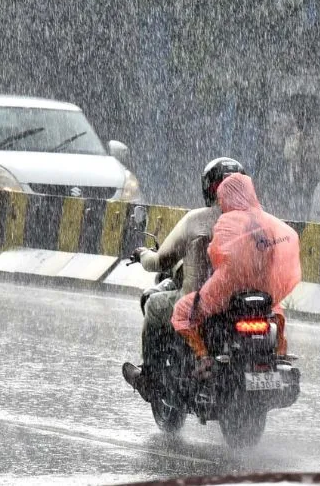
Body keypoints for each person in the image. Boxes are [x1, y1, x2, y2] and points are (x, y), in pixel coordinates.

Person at [121, 157, 246, 400]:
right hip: (241, 303)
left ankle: (149, 378)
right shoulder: (258, 221)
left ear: (209, 188)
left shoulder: (197, 219)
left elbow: (161, 261)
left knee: (154, 306)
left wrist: (143, 253)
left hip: (200, 303)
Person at [172, 172, 301, 370]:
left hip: (228, 289)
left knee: (182, 312)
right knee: (276, 311)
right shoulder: (268, 223)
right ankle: (279, 352)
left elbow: (215, 254)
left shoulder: (228, 221)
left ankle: (202, 357)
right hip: (264, 290)